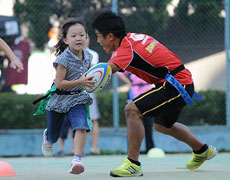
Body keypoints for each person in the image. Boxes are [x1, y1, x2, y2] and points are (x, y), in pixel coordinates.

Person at [92, 11, 217, 177]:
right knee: (162, 126)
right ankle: (202, 150)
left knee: (132, 109)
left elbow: (103, 72)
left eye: (98, 36)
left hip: (175, 85)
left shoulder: (126, 50)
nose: (98, 41)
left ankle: (133, 164)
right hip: (181, 82)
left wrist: (70, 84)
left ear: (109, 36)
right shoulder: (133, 38)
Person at [41, 17, 95, 175]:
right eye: (73, 36)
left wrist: (95, 82)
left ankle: (77, 159)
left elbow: (89, 76)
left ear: (86, 37)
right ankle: (48, 136)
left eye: (81, 35)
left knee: (81, 126)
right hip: (59, 99)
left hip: (77, 98)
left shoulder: (89, 56)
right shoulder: (63, 59)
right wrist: (81, 81)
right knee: (54, 136)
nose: (78, 38)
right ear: (65, 39)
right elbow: (59, 83)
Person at [117, 72, 155, 154]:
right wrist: (128, 82)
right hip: (134, 93)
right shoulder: (131, 63)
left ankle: (150, 148)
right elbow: (119, 72)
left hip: (147, 92)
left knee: (148, 123)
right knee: (133, 123)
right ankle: (132, 150)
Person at [85, 35, 101, 155]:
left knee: (92, 118)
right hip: (74, 90)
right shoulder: (70, 54)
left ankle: (94, 147)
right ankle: (75, 148)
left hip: (89, 91)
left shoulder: (93, 54)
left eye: (84, 36)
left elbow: (91, 71)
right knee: (73, 119)